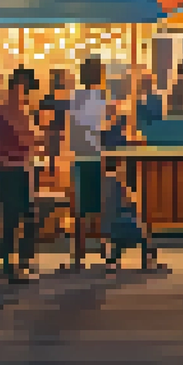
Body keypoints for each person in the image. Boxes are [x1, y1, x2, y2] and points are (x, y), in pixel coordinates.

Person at [0, 67, 39, 283]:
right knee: (24, 215)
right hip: (17, 167)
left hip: (9, 167)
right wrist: (33, 137)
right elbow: (25, 139)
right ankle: (20, 261)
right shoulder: (17, 112)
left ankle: (11, 261)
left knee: (12, 216)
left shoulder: (4, 111)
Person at [68, 57, 108, 270]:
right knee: (98, 205)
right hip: (94, 154)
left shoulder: (75, 97)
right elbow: (98, 126)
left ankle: (79, 253)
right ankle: (103, 247)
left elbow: (73, 126)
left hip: (79, 155)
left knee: (81, 209)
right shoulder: (97, 97)